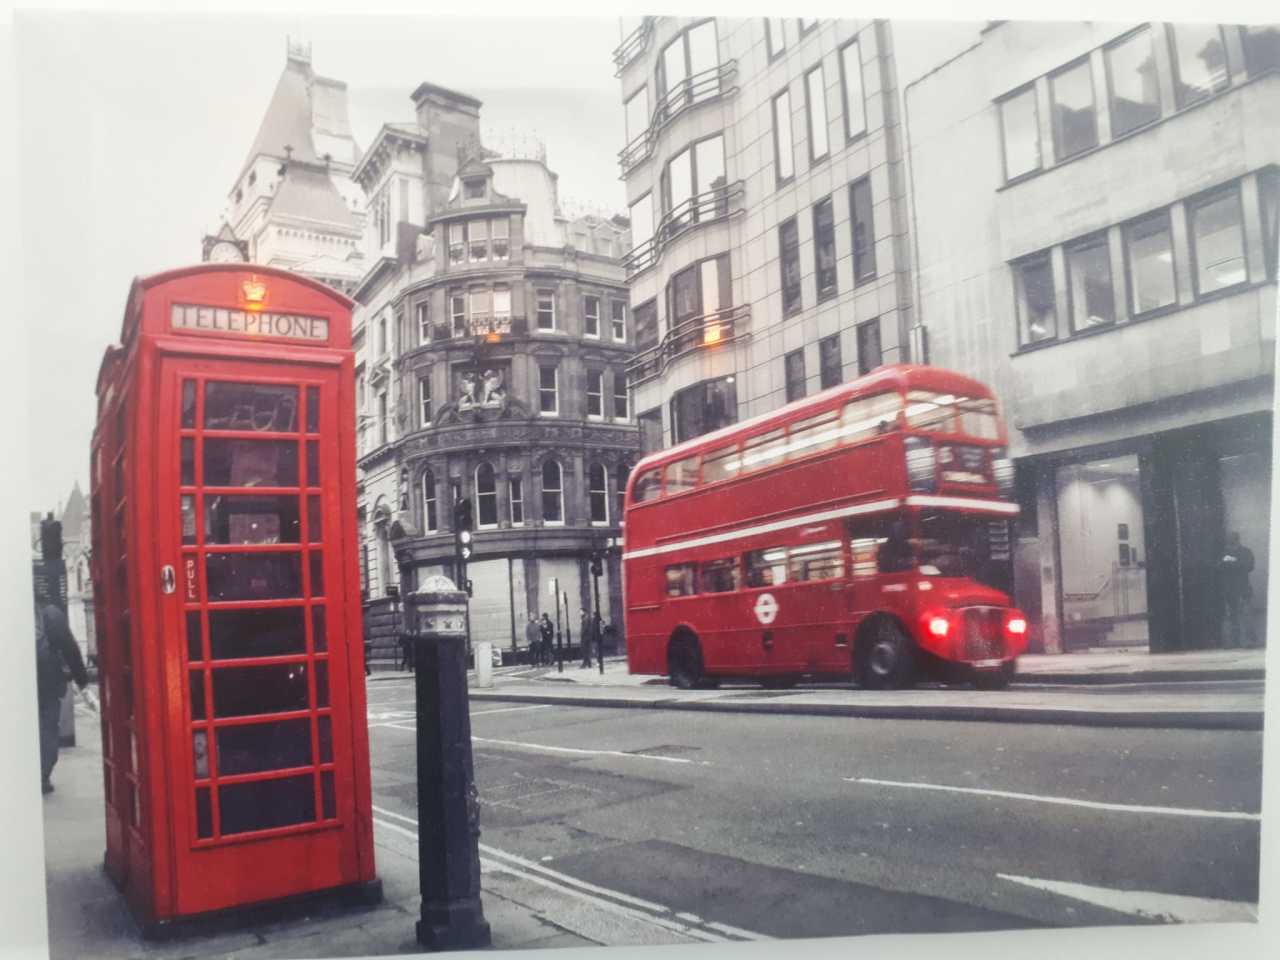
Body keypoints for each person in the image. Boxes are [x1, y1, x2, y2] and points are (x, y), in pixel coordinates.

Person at [35, 588, 90, 795]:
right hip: (48, 682)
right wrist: (82, 680)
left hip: (17, 685)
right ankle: (42, 776)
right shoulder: (51, 613)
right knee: (48, 729)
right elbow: (70, 648)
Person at [1220, 531, 1256, 648]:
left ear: (1237, 540)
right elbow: (1218, 567)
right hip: (1230, 590)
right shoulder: (1224, 552)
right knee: (1233, 617)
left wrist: (1232, 561)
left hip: (1242, 589)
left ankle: (1249, 641)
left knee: (1246, 616)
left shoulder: (1245, 552)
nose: (1230, 544)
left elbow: (1249, 566)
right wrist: (1232, 563)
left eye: (1232, 541)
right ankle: (1235, 642)